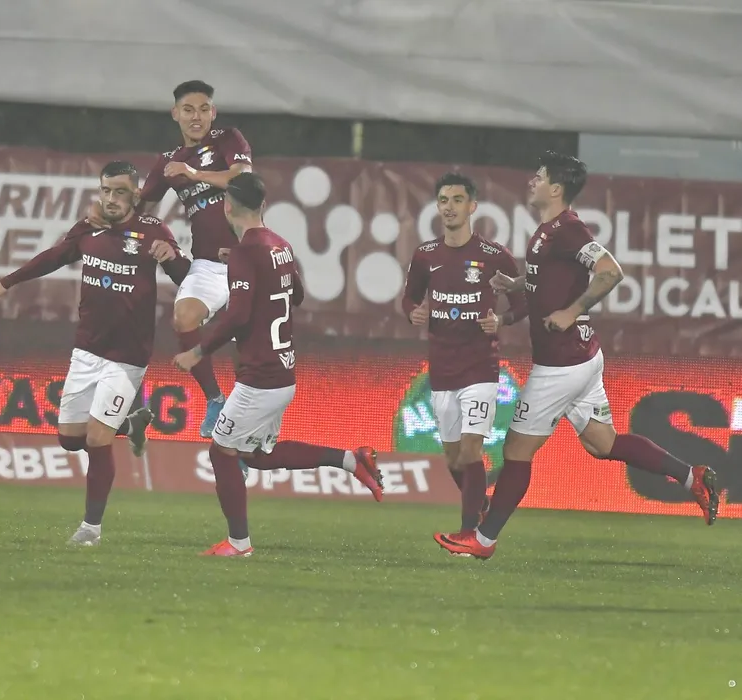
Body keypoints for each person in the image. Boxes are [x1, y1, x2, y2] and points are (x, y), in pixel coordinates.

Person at [435, 152, 719, 559]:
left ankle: (483, 539)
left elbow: (610, 270)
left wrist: (571, 311)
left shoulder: (568, 228)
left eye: (539, 176)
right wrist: (516, 283)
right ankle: (692, 477)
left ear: (556, 188)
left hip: (561, 365)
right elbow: (551, 277)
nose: (532, 181)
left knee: (516, 451)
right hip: (582, 357)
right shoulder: (548, 232)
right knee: (603, 443)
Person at [173, 172, 384, 557]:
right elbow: (297, 295)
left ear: (227, 207)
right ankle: (351, 460)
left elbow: (237, 317)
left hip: (260, 377)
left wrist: (198, 352)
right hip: (282, 371)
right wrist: (242, 267)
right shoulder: (279, 246)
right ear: (263, 205)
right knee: (257, 455)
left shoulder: (245, 253)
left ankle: (239, 544)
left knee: (221, 452)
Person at [0, 161, 191, 547]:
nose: (111, 198)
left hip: (127, 356)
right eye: (106, 191)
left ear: (135, 195)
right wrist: (7, 282)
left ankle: (90, 529)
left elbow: (185, 276)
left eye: (120, 192)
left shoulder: (153, 231)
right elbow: (53, 257)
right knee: (69, 439)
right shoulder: (88, 228)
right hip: (87, 350)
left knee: (97, 439)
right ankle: (130, 423)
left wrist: (172, 258)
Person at [90, 80, 252, 438]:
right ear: (175, 114)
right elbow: (141, 211)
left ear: (213, 112)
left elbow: (241, 179)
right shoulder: (168, 162)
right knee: (184, 317)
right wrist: (108, 212)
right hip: (209, 264)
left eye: (204, 109)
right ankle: (215, 401)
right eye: (189, 110)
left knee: (250, 359)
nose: (197, 117)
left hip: (249, 260)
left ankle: (244, 431)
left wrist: (193, 174)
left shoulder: (229, 140)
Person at [401, 172, 527, 539]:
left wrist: (501, 320)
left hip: (480, 367)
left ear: (472, 207)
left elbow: (522, 303)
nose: (450, 207)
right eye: (444, 200)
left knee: (472, 449)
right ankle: (479, 502)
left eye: (457, 200)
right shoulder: (426, 255)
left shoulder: (494, 256)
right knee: (453, 457)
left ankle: (469, 531)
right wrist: (413, 312)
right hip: (442, 368)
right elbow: (409, 298)